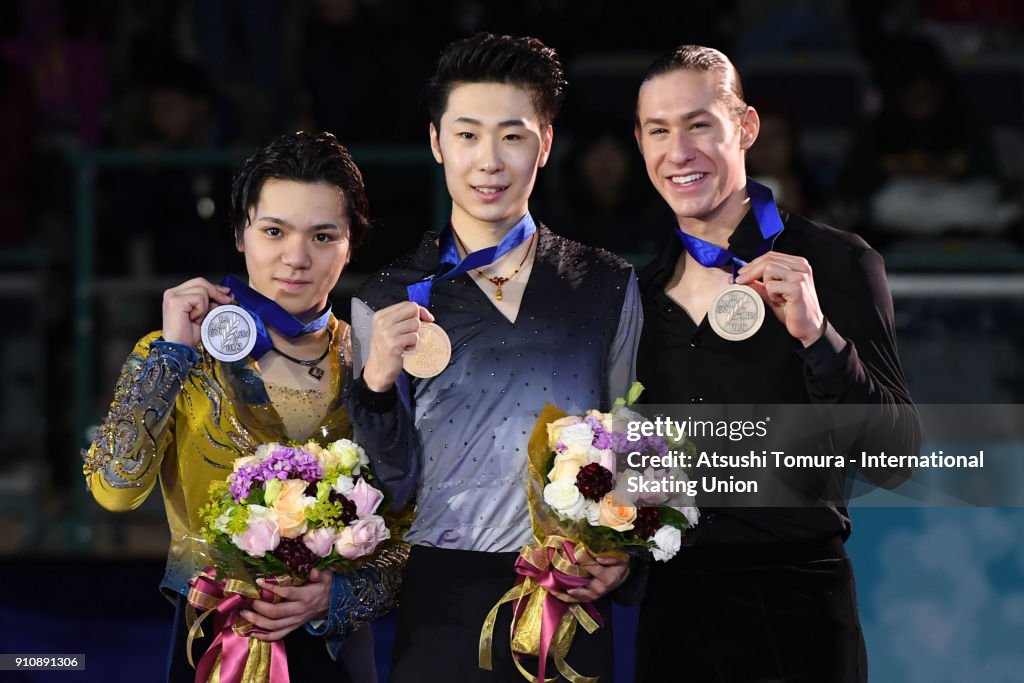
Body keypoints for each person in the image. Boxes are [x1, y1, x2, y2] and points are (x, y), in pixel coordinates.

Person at [346, 33, 642, 682]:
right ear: (435, 143)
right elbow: (384, 487)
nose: (489, 161)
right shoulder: (386, 299)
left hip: (572, 597)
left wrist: (626, 554)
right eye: (468, 135)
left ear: (546, 142)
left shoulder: (606, 284)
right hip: (439, 605)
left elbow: (637, 439)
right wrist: (371, 387)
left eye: (511, 135)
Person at [631, 46, 921, 682]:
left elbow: (895, 456)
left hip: (797, 619)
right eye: (659, 129)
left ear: (747, 127)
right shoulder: (638, 295)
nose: (678, 151)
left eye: (700, 123)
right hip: (672, 620)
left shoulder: (838, 263)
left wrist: (818, 335)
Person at [82, 131, 404, 683]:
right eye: (274, 231)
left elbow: (410, 534)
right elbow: (113, 489)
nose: (296, 258)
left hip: (334, 654)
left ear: (351, 244)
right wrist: (172, 354)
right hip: (210, 645)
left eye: (323, 236)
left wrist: (339, 594)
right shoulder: (181, 355)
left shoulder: (375, 362)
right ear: (240, 234)